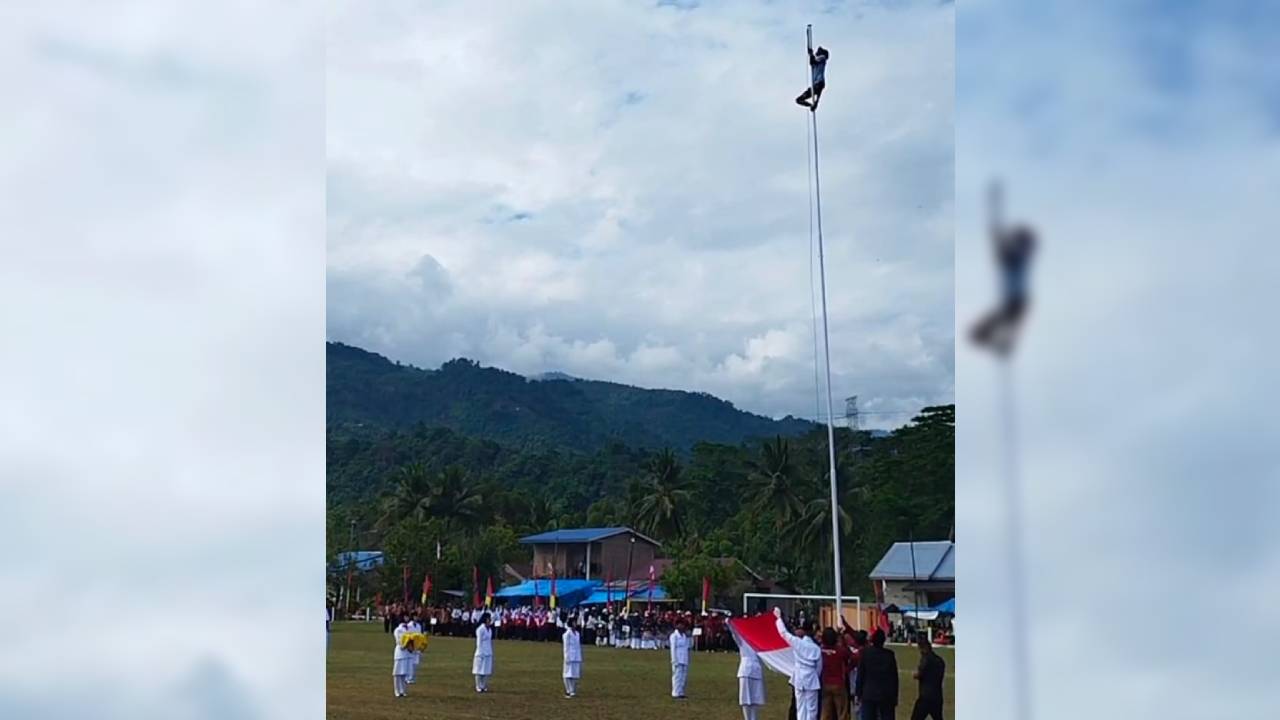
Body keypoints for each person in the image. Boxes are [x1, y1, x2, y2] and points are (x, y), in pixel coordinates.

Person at [971, 183, 1036, 356]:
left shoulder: (1017, 256)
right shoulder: (1016, 256)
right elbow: (998, 240)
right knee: (1003, 322)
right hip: (1016, 300)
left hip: (1016, 300)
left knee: (1004, 321)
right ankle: (1000, 343)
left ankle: (1001, 343)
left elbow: (999, 240)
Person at [774, 607, 822, 720]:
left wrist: (778, 619)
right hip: (812, 677)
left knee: (800, 707)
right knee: (812, 709)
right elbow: (819, 667)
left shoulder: (797, 643)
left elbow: (783, 633)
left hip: (800, 676)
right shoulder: (816, 648)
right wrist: (815, 676)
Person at [854, 629, 898, 720]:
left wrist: (858, 692)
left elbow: (861, 674)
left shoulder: (866, 653)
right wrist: (895, 696)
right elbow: (894, 678)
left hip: (869, 693)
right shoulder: (889, 655)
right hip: (886, 694)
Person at [910, 637, 946, 720]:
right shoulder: (940, 660)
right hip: (937, 696)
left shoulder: (926, 659)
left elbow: (920, 674)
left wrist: (915, 674)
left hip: (925, 697)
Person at [819, 628, 851, 720]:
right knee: (841, 711)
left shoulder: (821, 650)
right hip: (838, 683)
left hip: (826, 683)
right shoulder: (840, 651)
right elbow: (851, 656)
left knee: (825, 711)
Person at [737, 628, 766, 720]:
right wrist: (728, 621)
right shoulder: (742, 640)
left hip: (756, 670)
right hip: (745, 671)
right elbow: (734, 633)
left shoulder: (759, 641)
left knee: (755, 699)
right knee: (745, 699)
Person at [795, 46, 830, 111]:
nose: (817, 51)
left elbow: (813, 61)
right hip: (817, 84)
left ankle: (815, 104)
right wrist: (811, 54)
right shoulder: (816, 62)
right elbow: (812, 62)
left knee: (817, 90)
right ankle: (812, 105)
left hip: (819, 83)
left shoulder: (823, 58)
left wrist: (811, 54)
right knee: (799, 100)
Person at [562, 614, 583, 698]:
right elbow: (566, 647)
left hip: (576, 656)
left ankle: (573, 690)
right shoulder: (567, 634)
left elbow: (578, 646)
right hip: (569, 656)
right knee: (567, 674)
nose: (575, 623)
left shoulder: (577, 633)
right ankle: (568, 690)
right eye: (574, 622)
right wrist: (566, 657)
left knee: (574, 674)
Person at [473, 612, 494, 693]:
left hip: (488, 651)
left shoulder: (490, 630)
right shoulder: (480, 629)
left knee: (486, 670)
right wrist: (480, 652)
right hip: (481, 652)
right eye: (489, 619)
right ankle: (478, 686)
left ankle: (484, 686)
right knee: (478, 670)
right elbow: (478, 642)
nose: (490, 620)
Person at [669, 620, 691, 699]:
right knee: (677, 676)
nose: (682, 627)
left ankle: (681, 692)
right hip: (677, 658)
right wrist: (674, 659)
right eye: (680, 625)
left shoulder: (684, 636)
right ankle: (675, 692)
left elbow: (687, 647)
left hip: (684, 658)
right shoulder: (674, 636)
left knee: (683, 676)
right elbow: (673, 649)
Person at [392, 615, 412, 698]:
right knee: (397, 673)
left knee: (404, 673)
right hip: (400, 653)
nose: (407, 618)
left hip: (407, 653)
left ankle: (403, 690)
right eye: (405, 617)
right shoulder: (398, 630)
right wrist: (405, 645)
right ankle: (397, 691)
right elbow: (399, 641)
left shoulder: (409, 629)